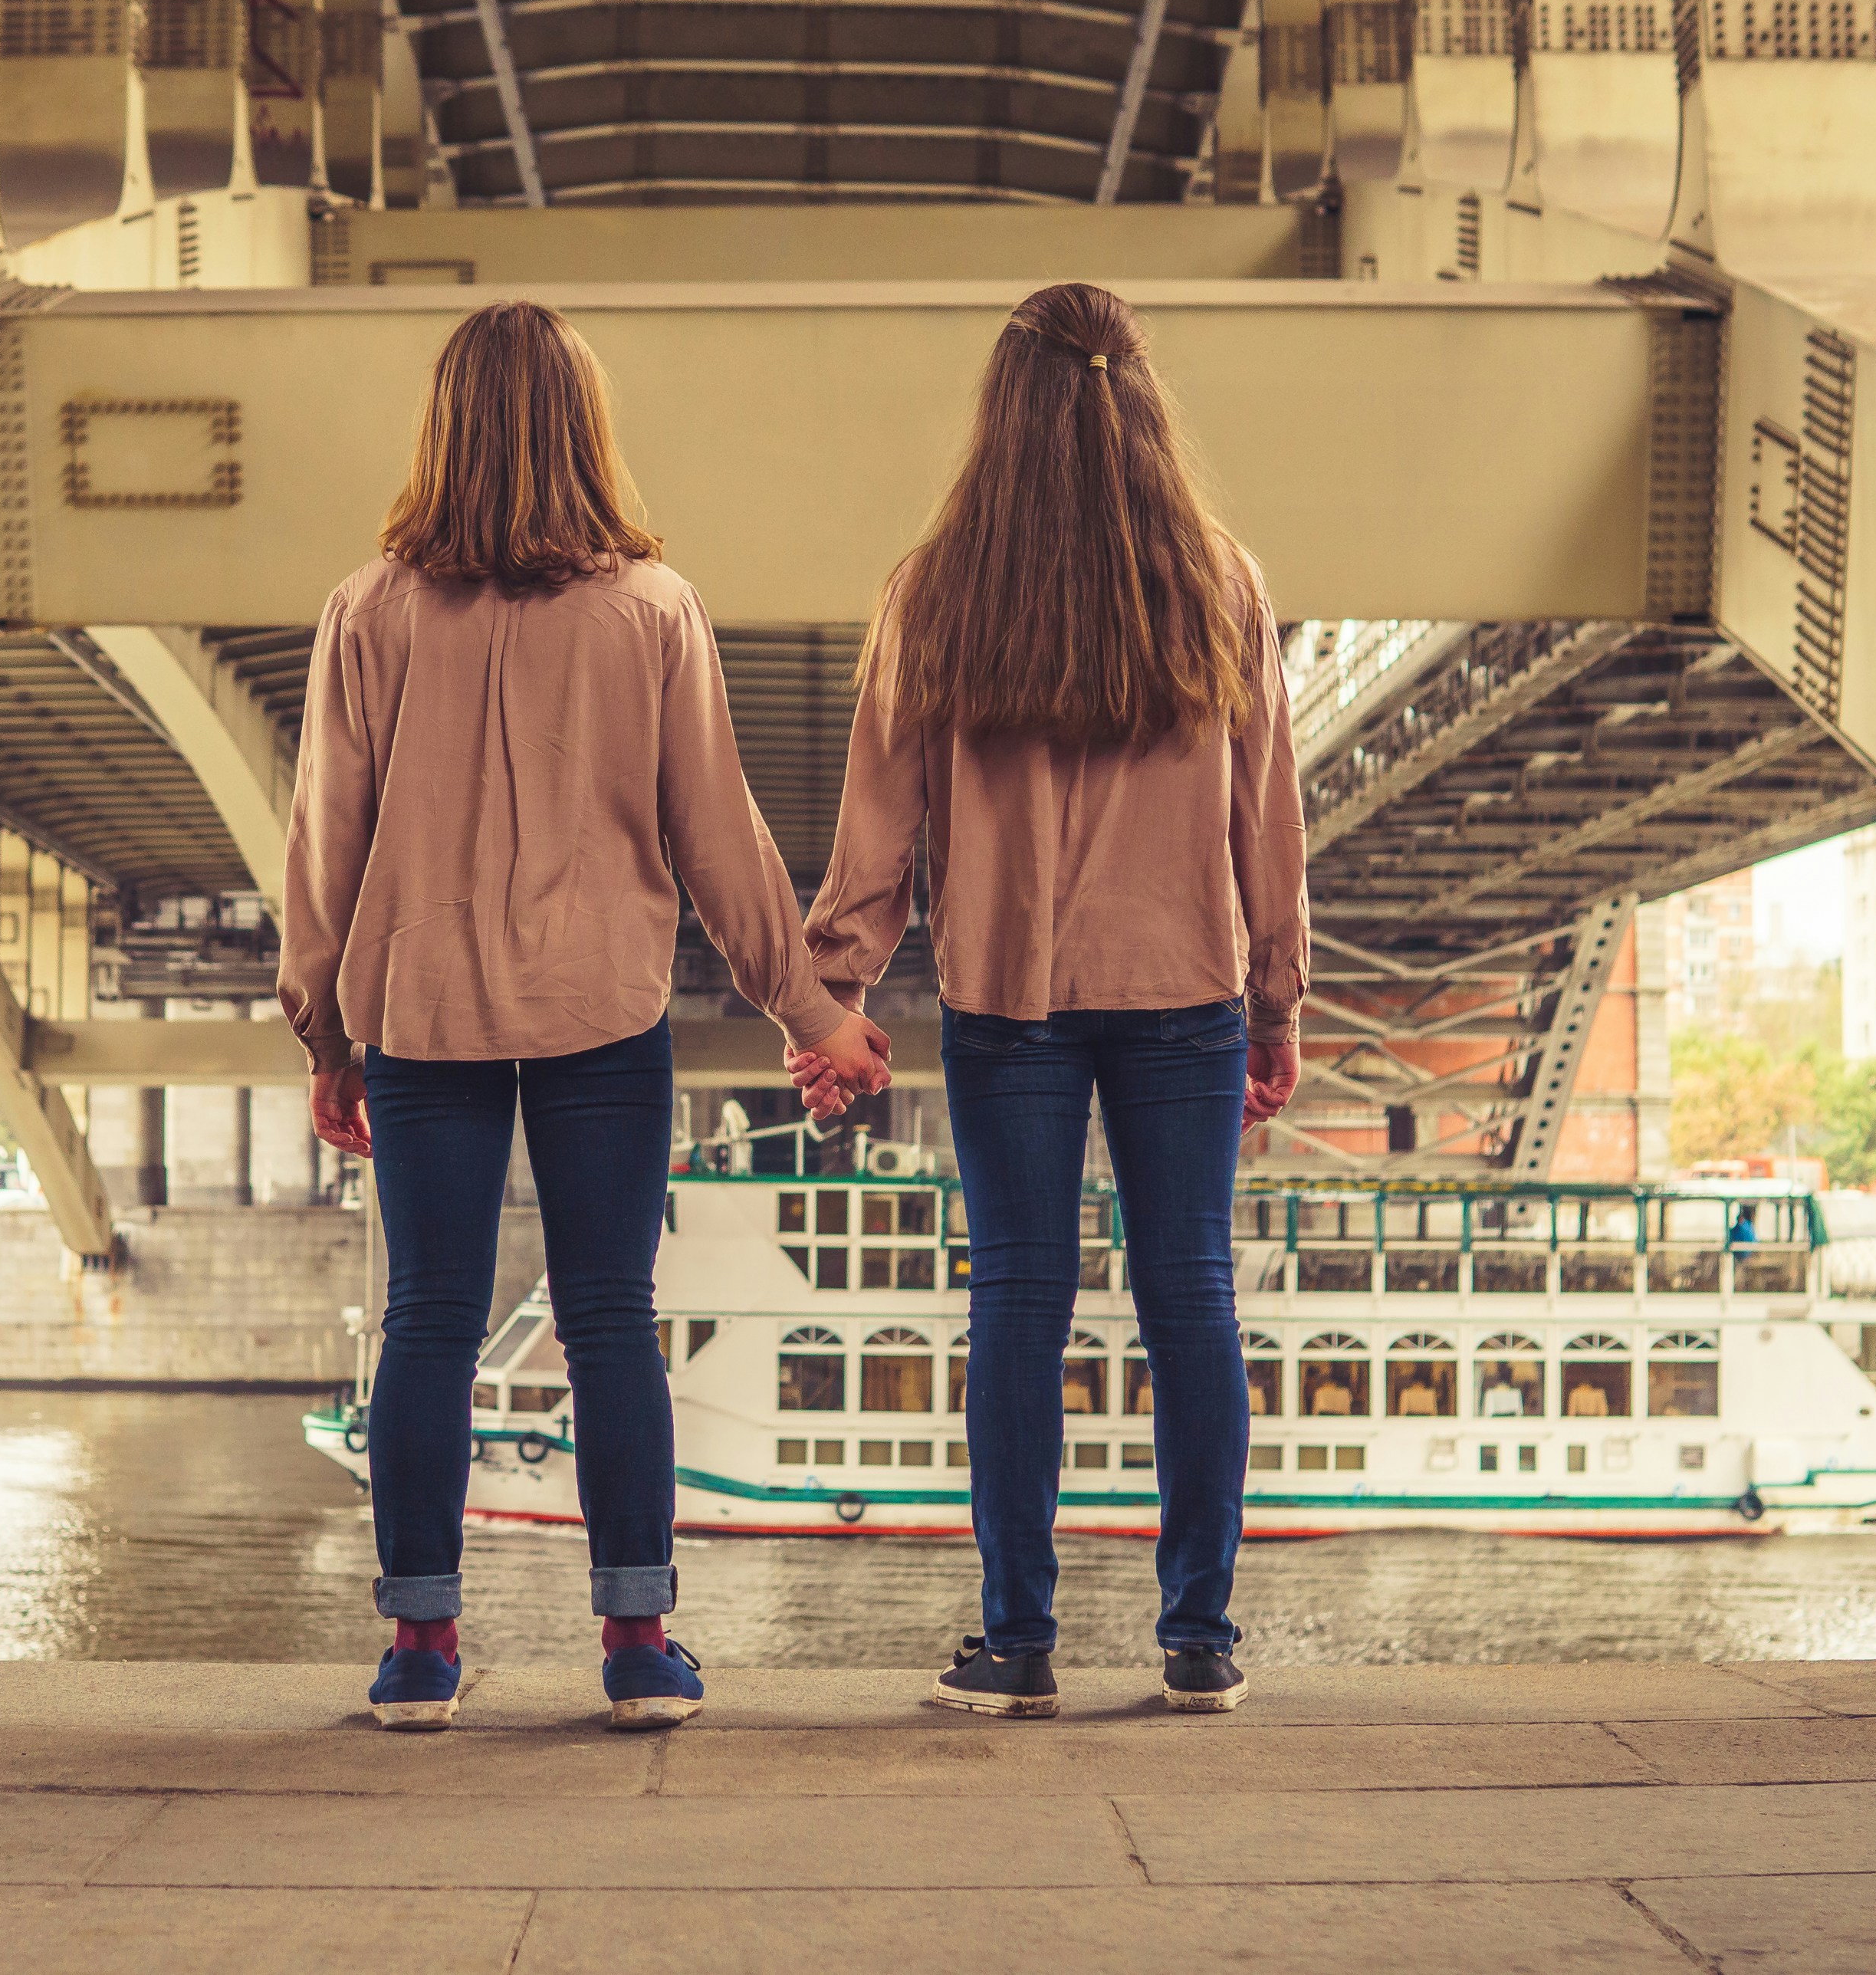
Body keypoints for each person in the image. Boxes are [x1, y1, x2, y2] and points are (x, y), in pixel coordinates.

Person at [278, 300, 892, 1733]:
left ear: (441, 430)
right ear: (585, 431)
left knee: (427, 1323)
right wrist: (809, 1010)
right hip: (601, 1012)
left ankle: (420, 1657)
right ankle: (634, 1646)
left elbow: (325, 843)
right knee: (612, 1319)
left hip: (419, 1015)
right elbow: (717, 839)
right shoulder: (649, 611)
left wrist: (324, 1032)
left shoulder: (368, 610)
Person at [792, 283, 1305, 1719]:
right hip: (1186, 983)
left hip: (1008, 995)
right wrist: (1275, 1001)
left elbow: (877, 824)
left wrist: (831, 996)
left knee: (1019, 1299)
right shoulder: (1221, 581)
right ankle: (1198, 1639)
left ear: (1000, 413)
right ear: (1140, 403)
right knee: (1188, 1291)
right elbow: (1268, 819)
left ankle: (1017, 1641)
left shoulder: (936, 588)